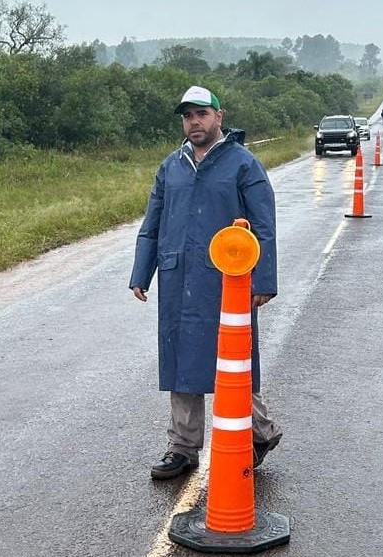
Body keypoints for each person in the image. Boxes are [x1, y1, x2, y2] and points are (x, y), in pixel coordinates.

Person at [130, 85, 283, 481]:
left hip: (228, 284)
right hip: (179, 278)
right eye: (187, 116)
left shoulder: (242, 164)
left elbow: (264, 225)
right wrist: (141, 272)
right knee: (181, 360)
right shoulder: (171, 166)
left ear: (220, 116)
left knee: (232, 361)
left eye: (201, 114)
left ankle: (260, 432)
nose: (193, 122)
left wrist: (262, 279)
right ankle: (182, 447)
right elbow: (153, 224)